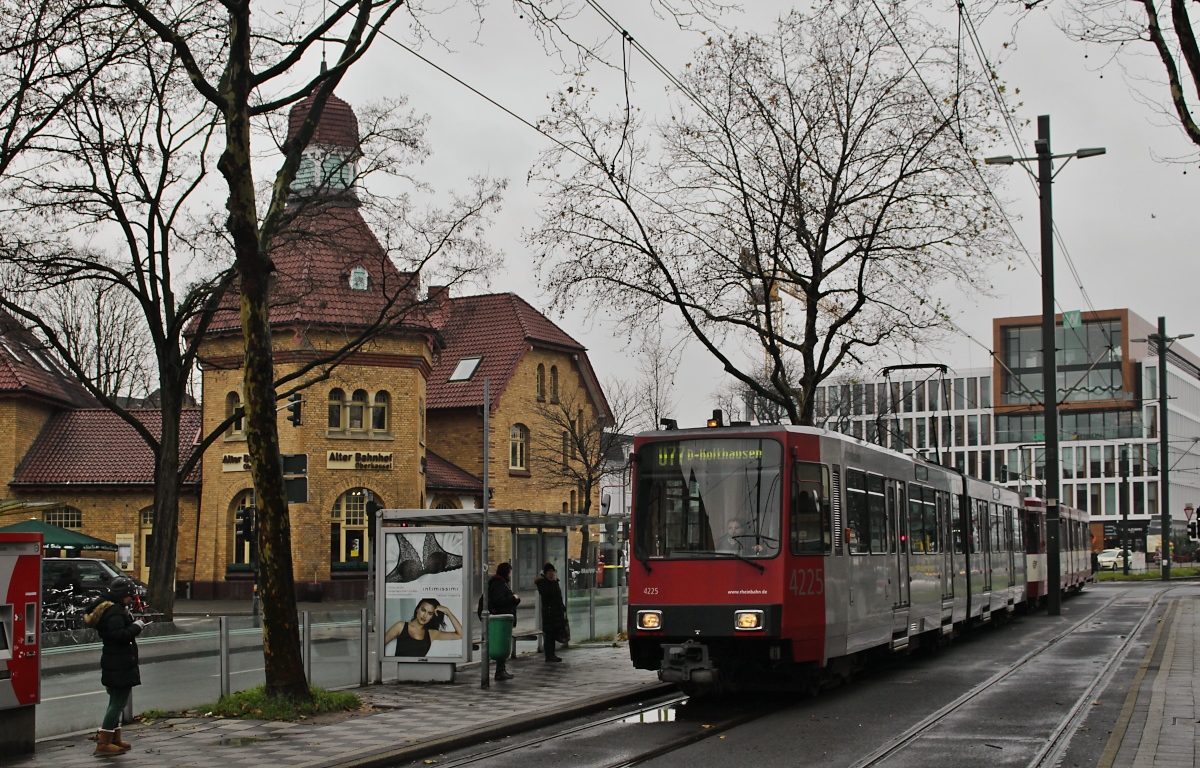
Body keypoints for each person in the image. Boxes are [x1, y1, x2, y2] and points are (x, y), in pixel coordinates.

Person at [86, 577, 146, 755]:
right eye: (129, 596)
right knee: (118, 701)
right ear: (123, 595)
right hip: (119, 661)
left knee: (116, 700)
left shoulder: (113, 608)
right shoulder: (115, 611)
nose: (131, 599)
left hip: (114, 660)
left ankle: (114, 737)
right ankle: (104, 742)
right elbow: (118, 634)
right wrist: (137, 626)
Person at [384, 598, 463, 657]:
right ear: (417, 610)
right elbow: (381, 643)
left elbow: (460, 634)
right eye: (423, 610)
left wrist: (448, 611)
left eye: (430, 613)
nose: (425, 615)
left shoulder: (431, 634)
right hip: (400, 668)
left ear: (432, 616)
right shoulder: (401, 626)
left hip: (421, 668)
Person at [487, 562, 520, 680]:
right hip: (501, 618)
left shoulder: (499, 582)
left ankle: (501, 669)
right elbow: (499, 600)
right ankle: (499, 671)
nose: (510, 575)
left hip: (502, 617)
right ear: (506, 572)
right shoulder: (499, 583)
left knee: (502, 643)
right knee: (501, 643)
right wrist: (513, 598)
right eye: (509, 572)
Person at [534, 563, 566, 663]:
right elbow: (548, 594)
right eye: (550, 571)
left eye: (553, 571)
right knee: (549, 634)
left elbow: (558, 596)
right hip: (549, 612)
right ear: (546, 572)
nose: (552, 573)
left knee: (553, 633)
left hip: (556, 611)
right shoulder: (543, 583)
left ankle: (552, 653)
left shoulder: (554, 582)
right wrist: (553, 583)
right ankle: (549, 654)